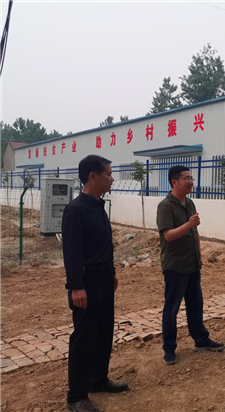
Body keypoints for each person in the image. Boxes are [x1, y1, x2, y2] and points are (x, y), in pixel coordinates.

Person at [62, 155, 128, 412]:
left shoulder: (99, 206)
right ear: (93, 176)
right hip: (86, 281)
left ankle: (97, 379)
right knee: (84, 336)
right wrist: (76, 286)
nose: (112, 178)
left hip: (104, 277)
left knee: (103, 331)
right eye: (108, 173)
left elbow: (101, 245)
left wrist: (111, 271)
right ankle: (76, 396)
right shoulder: (76, 209)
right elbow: (72, 252)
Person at [157, 165, 224, 365]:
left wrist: (199, 255)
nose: (191, 182)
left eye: (191, 178)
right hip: (175, 265)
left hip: (192, 262)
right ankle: (169, 349)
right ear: (174, 182)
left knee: (195, 304)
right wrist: (189, 224)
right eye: (186, 178)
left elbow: (195, 233)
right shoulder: (165, 206)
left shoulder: (190, 203)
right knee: (172, 308)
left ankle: (201, 340)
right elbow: (168, 236)